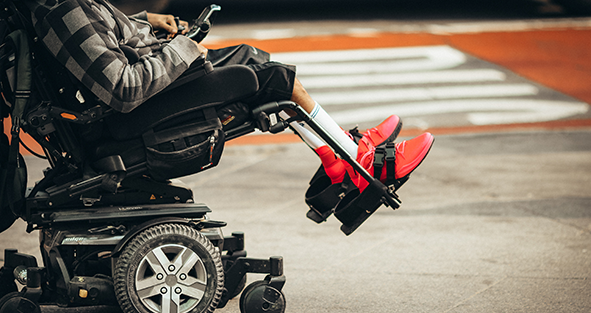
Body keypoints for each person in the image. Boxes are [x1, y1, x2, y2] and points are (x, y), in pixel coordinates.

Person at [23, 0, 433, 194]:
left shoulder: (60, 6)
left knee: (252, 57)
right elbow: (123, 87)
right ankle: (361, 164)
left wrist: (143, 23)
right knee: (273, 79)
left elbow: (100, 40)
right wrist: (182, 50)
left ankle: (338, 153)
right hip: (133, 116)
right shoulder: (65, 9)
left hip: (140, 96)